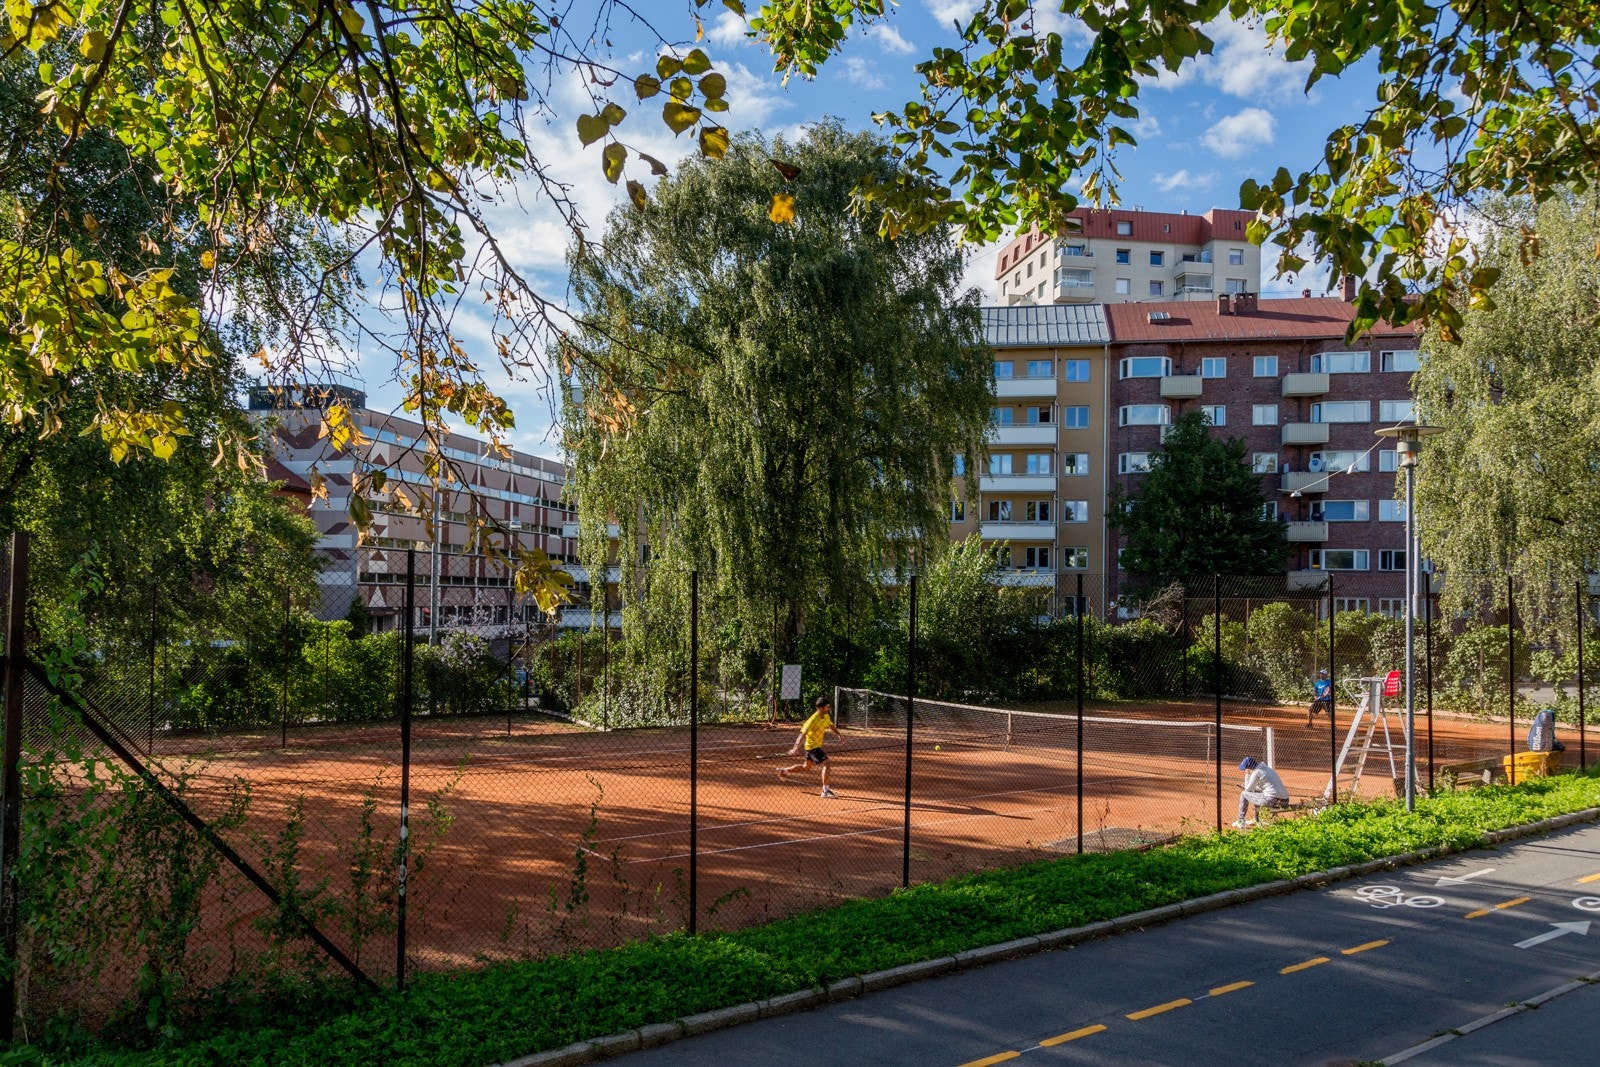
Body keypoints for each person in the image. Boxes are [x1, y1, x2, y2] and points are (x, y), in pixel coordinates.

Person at [778, 694, 844, 798]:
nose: (829, 708)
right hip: (812, 747)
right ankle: (825, 791)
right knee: (827, 763)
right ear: (821, 708)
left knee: (806, 767)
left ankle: (785, 771)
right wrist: (795, 748)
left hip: (814, 747)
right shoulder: (812, 720)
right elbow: (802, 735)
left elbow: (831, 725)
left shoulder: (826, 716)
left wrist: (839, 734)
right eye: (827, 707)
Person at [1234, 756, 1289, 828]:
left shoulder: (1256, 772)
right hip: (1284, 801)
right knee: (1256, 793)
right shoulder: (1268, 769)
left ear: (1249, 768)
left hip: (1272, 800)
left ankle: (1241, 820)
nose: (1244, 770)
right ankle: (1257, 819)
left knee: (1244, 794)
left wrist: (1247, 774)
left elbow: (1247, 789)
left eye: (1245, 769)